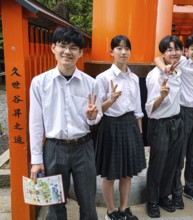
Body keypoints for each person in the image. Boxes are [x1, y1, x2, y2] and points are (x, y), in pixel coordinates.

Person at [29, 26, 102, 220]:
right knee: (55, 206)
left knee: (88, 203)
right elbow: (35, 123)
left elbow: (97, 117)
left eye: (73, 47)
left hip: (83, 148)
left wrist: (92, 116)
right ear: (53, 48)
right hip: (54, 150)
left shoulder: (91, 83)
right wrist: (36, 159)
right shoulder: (39, 83)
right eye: (62, 46)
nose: (67, 52)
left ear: (80, 53)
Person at [95, 35, 145, 220]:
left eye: (126, 48)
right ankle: (111, 211)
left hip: (130, 124)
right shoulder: (102, 78)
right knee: (109, 174)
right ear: (111, 52)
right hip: (110, 126)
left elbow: (138, 108)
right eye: (118, 48)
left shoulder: (133, 78)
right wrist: (111, 99)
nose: (123, 52)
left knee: (127, 172)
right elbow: (97, 110)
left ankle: (124, 209)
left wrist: (139, 133)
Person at [154, 35, 193, 206]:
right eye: (192, 48)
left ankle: (190, 187)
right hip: (182, 112)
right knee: (180, 156)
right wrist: (165, 69)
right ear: (186, 50)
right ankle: (175, 190)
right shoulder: (182, 62)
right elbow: (157, 57)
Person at [145, 35, 184, 218]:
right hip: (160, 124)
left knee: (171, 163)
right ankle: (151, 200)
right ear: (163, 52)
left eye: (177, 48)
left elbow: (160, 58)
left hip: (177, 121)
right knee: (157, 164)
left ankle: (163, 195)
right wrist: (161, 96)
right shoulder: (155, 76)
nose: (174, 52)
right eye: (169, 49)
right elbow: (150, 110)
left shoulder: (178, 67)